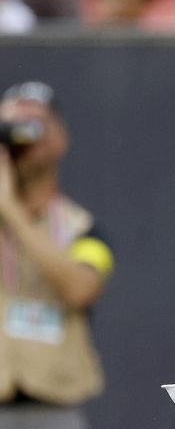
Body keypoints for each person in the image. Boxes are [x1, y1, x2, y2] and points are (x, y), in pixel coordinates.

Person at [0, 81, 113, 429]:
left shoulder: (84, 229)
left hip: (53, 409)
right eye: (11, 127)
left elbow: (81, 289)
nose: (22, 137)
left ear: (60, 139)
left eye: (34, 125)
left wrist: (11, 211)